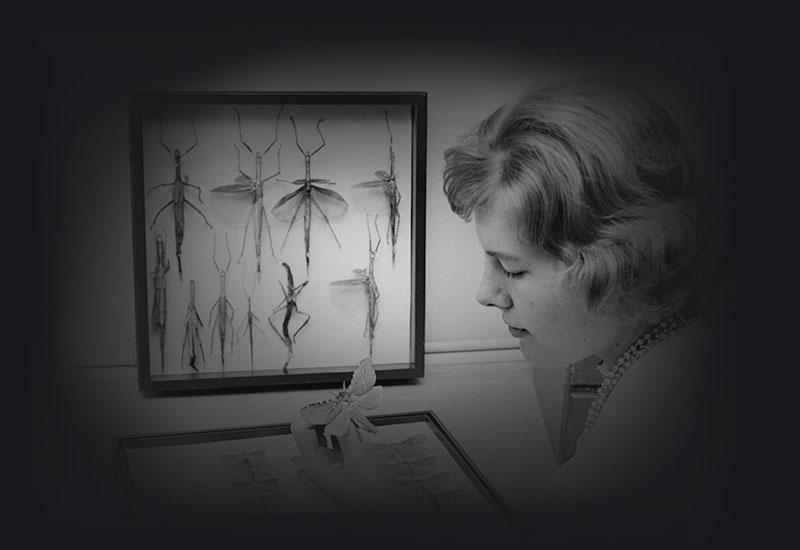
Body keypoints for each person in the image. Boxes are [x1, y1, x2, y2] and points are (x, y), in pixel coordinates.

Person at [291, 80, 724, 543]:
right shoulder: (667, 357)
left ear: (619, 263)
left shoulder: (650, 433)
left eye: (512, 268)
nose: (485, 292)